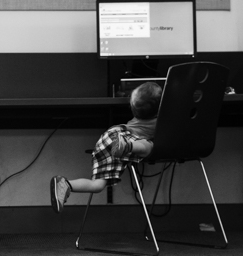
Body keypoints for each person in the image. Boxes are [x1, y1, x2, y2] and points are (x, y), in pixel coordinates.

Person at [50, 81, 163, 212]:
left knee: (97, 185)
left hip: (109, 136)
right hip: (123, 137)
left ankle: (65, 184)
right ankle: (127, 146)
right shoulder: (160, 119)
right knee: (149, 147)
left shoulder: (138, 119)